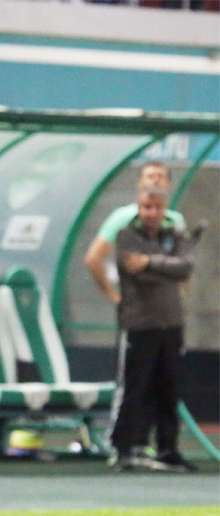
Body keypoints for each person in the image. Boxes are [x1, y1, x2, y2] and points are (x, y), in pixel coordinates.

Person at [109, 186, 195, 472]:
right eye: (147, 207)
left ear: (164, 209)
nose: (152, 213)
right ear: (139, 208)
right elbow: (135, 271)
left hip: (171, 324)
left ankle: (168, 448)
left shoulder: (175, 235)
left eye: (157, 207)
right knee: (136, 388)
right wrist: (166, 268)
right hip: (140, 325)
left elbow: (185, 266)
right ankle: (126, 447)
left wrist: (149, 262)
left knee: (169, 388)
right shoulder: (126, 235)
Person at [85, 160, 187, 307]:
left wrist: (177, 297)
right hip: (135, 305)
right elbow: (94, 258)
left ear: (169, 184)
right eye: (150, 176)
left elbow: (184, 264)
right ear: (140, 183)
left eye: (160, 176)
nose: (155, 181)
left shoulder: (175, 220)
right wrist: (114, 296)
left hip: (166, 308)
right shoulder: (123, 218)